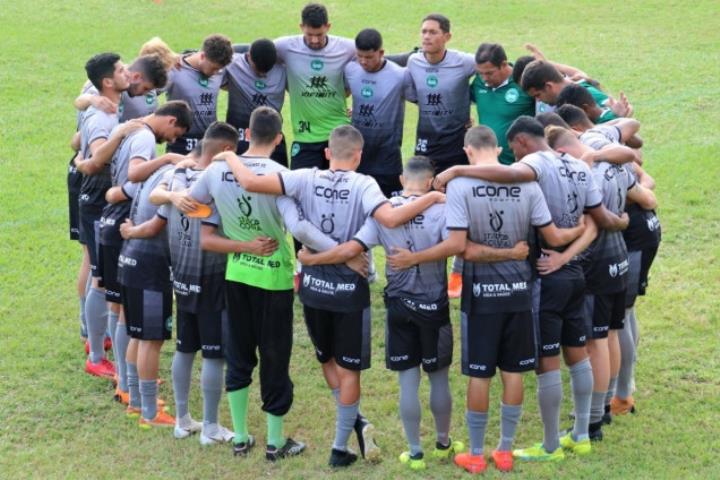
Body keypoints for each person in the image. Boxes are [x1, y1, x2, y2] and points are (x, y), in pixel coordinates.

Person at [222, 124, 445, 467]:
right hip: (348, 296)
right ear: (358, 155)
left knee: (327, 360)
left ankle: (354, 421)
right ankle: (341, 446)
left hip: (313, 292)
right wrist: (430, 196)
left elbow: (250, 182)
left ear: (327, 153)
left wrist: (228, 156)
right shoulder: (365, 184)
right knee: (349, 369)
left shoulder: (304, 177)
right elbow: (391, 217)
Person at [389, 126, 585, 473]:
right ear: (498, 148)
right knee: (513, 372)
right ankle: (505, 450)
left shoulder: (460, 186)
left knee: (479, 376)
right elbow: (552, 235)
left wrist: (496, 253)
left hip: (480, 296)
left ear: (467, 152)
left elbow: (460, 247)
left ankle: (477, 454)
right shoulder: (527, 183)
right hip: (520, 293)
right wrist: (583, 228)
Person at [296, 156, 489, 470]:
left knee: (407, 383)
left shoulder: (383, 213)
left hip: (398, 307)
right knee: (438, 379)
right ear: (431, 182)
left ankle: (414, 453)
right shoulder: (442, 208)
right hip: (434, 307)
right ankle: (443, 443)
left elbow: (352, 248)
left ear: (402, 179)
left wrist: (310, 258)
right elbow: (458, 247)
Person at [190, 112, 350, 460]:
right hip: (274, 279)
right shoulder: (283, 177)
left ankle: (241, 437)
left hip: (237, 275)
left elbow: (192, 203)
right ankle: (276, 443)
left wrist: (231, 230)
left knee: (239, 354)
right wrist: (341, 253)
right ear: (279, 138)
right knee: (274, 358)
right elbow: (301, 229)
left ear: (247, 134)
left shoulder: (217, 170)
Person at [546, 125, 656, 441]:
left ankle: (592, 421)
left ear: (562, 152)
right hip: (619, 258)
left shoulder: (585, 175)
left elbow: (591, 227)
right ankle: (606, 403)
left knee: (595, 341)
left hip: (596, 264)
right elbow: (634, 165)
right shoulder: (615, 165)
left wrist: (561, 258)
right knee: (609, 334)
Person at [75, 52, 129, 379]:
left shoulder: (107, 105)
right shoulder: (101, 117)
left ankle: (99, 342)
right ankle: (96, 355)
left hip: (98, 196)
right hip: (97, 197)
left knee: (103, 274)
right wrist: (122, 135)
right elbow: (95, 158)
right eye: (122, 70)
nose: (128, 74)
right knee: (100, 275)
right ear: (108, 81)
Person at [117, 161, 177, 428]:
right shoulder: (176, 179)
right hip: (151, 268)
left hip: (129, 259)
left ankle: (136, 401)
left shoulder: (152, 174)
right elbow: (155, 226)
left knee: (137, 335)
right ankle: (150, 413)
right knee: (151, 341)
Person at [274, 3, 355, 170]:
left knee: (340, 191)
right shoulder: (285, 47)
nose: (315, 40)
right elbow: (256, 51)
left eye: (319, 34)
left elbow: (374, 60)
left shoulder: (348, 48)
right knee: (300, 192)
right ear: (301, 27)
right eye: (309, 34)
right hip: (305, 136)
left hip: (339, 135)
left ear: (328, 26)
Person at [405, 13, 475, 174]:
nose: (426, 37)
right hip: (425, 141)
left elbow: (491, 64)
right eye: (424, 32)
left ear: (447, 37)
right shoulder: (414, 62)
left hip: (456, 143)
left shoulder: (463, 62)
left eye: (432, 32)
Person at [344, 28, 406, 197]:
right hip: (357, 154)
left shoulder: (399, 76)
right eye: (360, 56)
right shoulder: (350, 70)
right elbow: (342, 93)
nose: (363, 61)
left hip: (388, 156)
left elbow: (422, 99)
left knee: (391, 207)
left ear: (381, 53)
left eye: (369, 57)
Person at [224, 38, 288, 166]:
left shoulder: (284, 68)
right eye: (257, 69)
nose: (262, 74)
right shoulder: (233, 64)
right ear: (248, 56)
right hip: (238, 136)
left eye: (267, 70)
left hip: (272, 135)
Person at [165, 34, 234, 154]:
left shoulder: (220, 72)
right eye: (213, 68)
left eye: (219, 69)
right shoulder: (175, 69)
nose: (216, 73)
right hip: (180, 143)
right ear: (202, 56)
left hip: (210, 143)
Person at [471, 43, 534, 166]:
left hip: (520, 165)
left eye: (489, 73)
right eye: (480, 73)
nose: (484, 78)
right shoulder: (478, 82)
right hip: (486, 164)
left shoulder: (523, 80)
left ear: (504, 65)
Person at [520, 60, 631, 118]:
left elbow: (619, 109)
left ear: (549, 86)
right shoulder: (562, 99)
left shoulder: (586, 92)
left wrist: (618, 115)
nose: (538, 100)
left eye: (537, 95)